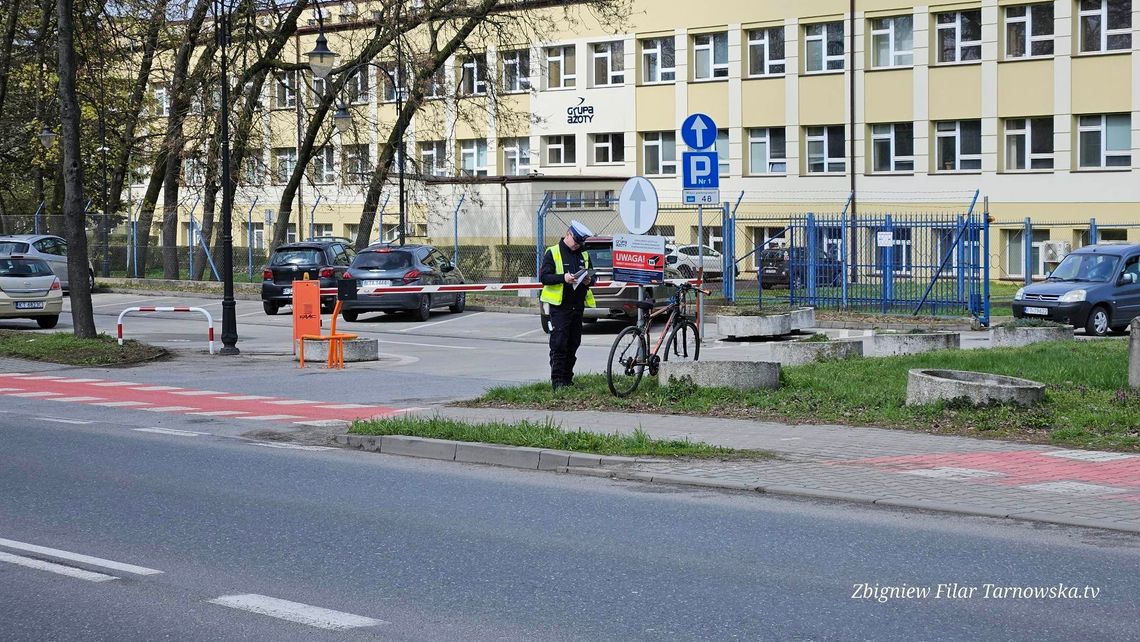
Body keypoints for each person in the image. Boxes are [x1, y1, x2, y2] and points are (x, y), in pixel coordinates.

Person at [539, 220, 596, 389]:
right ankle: (557, 383)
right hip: (560, 307)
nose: (578, 246)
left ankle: (567, 380)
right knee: (559, 344)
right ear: (568, 234)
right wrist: (563, 278)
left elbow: (594, 277)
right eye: (576, 242)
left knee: (573, 343)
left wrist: (588, 280)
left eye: (581, 243)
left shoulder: (583, 254)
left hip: (577, 306)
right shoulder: (553, 252)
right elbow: (544, 278)